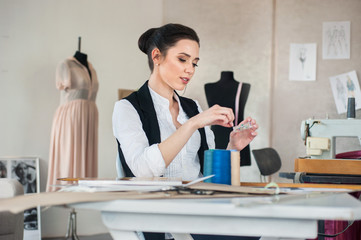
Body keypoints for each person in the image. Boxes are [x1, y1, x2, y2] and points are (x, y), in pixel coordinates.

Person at [112, 23, 259, 240]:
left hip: (199, 210)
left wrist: (233, 147)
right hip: (161, 215)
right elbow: (142, 170)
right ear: (156, 56)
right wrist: (192, 124)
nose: (189, 69)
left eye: (194, 63)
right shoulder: (127, 108)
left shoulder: (192, 108)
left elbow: (209, 178)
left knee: (259, 228)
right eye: (182, 59)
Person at [204, 71, 251, 166]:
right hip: (216, 136)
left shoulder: (243, 86)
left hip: (237, 134)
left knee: (233, 168)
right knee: (218, 168)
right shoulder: (209, 87)